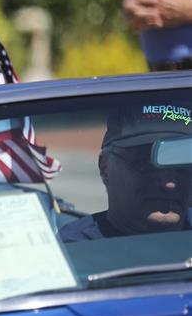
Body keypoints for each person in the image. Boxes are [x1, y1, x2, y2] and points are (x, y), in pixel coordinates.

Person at [58, 102, 191, 242]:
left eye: (183, 165)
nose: (169, 184)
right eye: (146, 165)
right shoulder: (72, 253)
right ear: (105, 167)